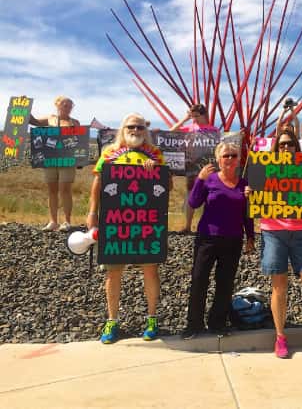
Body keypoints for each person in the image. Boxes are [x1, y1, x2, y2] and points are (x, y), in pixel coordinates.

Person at [245, 130, 302, 359]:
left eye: (290, 145)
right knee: (279, 288)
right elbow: (255, 195)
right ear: (276, 149)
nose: (286, 148)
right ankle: (280, 337)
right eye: (282, 145)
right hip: (274, 233)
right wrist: (250, 192)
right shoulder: (266, 170)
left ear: (297, 147)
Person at [87, 113, 171, 344]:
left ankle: (152, 318)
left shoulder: (155, 154)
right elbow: (98, 182)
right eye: (131, 126)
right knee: (113, 272)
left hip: (147, 220)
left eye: (140, 127)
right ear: (123, 129)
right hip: (116, 220)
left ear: (146, 131)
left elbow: (168, 185)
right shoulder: (109, 154)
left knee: (150, 270)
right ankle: (112, 320)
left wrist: (155, 172)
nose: (135, 130)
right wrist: (93, 212)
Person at [181, 142, 255, 338]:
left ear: (239, 159)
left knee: (225, 282)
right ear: (218, 159)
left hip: (233, 240)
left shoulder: (244, 184)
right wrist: (199, 180)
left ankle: (217, 323)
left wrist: (251, 237)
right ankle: (194, 324)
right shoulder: (210, 180)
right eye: (225, 156)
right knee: (199, 280)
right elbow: (193, 202)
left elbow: (247, 214)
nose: (229, 159)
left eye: (233, 155)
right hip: (208, 238)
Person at [29, 96, 80, 232]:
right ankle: (53, 221)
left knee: (65, 190)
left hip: (67, 161)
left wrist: (80, 159)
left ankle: (67, 221)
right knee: (52, 190)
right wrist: (24, 108)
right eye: (64, 104)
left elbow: (78, 141)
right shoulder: (50, 118)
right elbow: (32, 121)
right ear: (57, 105)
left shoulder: (75, 122)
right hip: (50, 159)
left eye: (70, 105)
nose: (67, 107)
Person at [170, 103, 219, 234]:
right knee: (191, 195)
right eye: (192, 116)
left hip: (207, 166)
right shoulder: (190, 128)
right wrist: (185, 119)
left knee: (209, 197)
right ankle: (187, 226)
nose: (194, 119)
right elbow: (171, 131)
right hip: (191, 166)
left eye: (196, 116)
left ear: (204, 115)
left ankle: (206, 227)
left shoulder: (213, 130)